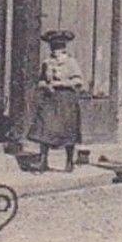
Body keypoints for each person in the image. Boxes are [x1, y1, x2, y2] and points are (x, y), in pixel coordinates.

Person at [24, 30, 83, 172]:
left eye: (59, 47)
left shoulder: (71, 62)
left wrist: (61, 84)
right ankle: (43, 161)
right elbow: (42, 79)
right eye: (53, 47)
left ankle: (69, 162)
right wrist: (44, 85)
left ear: (64, 48)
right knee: (44, 127)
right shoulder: (47, 63)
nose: (56, 51)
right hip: (50, 99)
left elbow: (78, 81)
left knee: (68, 129)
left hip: (66, 99)